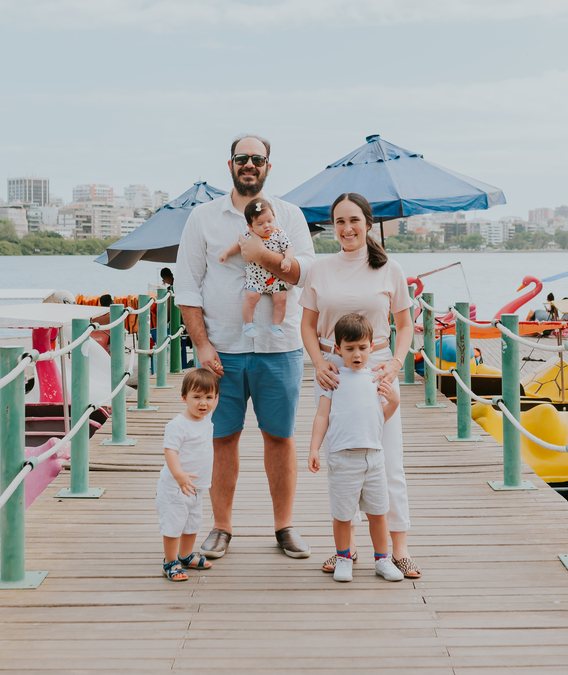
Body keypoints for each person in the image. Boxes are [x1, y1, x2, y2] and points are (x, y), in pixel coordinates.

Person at [176, 133, 316, 560]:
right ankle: (221, 528)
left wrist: (265, 256)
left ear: (268, 166)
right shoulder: (203, 217)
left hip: (281, 347)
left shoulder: (289, 215)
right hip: (223, 349)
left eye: (258, 158)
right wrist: (201, 344)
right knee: (222, 438)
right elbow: (187, 285)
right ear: (231, 164)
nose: (249, 164)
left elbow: (306, 272)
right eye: (242, 158)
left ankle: (284, 527)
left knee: (280, 437)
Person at [299, 192, 421, 579]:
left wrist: (397, 364)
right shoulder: (320, 268)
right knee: (341, 461)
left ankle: (397, 549)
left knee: (388, 460)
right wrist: (319, 364)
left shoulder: (390, 269)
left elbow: (404, 326)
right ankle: (344, 550)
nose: (347, 228)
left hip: (379, 367)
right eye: (339, 221)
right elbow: (306, 324)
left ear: (367, 223)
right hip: (332, 370)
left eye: (354, 220)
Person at [307, 313, 404, 582]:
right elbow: (322, 416)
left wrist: (393, 401)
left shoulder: (376, 378)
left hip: (373, 457)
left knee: (378, 513)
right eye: (349, 349)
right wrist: (314, 448)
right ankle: (343, 557)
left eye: (362, 347)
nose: (357, 354)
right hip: (342, 457)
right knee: (342, 514)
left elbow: (379, 418)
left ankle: (382, 560)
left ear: (372, 347)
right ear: (338, 349)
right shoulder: (333, 378)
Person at [156, 368, 220, 581]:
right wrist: (179, 475)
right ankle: (170, 560)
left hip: (198, 486)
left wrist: (217, 374)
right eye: (197, 397)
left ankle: (185, 555)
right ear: (184, 398)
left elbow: (214, 397)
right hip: (177, 486)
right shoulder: (178, 425)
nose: (203, 403)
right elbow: (170, 452)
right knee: (174, 524)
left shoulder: (207, 417)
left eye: (209, 398)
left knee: (193, 522)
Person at [218, 200, 296, 338]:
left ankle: (276, 325)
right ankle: (248, 324)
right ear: (250, 226)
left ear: (274, 217)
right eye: (260, 224)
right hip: (256, 277)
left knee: (282, 299)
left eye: (270, 221)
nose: (267, 226)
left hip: (276, 277)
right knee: (251, 298)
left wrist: (287, 259)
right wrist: (226, 253)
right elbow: (238, 244)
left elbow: (289, 248)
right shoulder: (248, 236)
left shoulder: (279, 234)